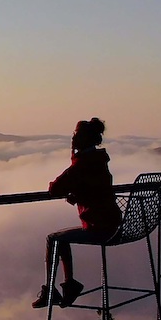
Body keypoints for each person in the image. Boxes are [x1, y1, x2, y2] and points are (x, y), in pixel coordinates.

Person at [32, 117, 122, 309]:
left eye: (76, 135)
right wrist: (80, 196)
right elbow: (95, 189)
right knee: (60, 238)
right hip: (113, 223)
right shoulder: (99, 161)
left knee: (54, 239)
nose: (72, 139)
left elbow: (55, 188)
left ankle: (55, 289)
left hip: (100, 227)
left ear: (82, 139)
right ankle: (68, 284)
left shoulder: (82, 164)